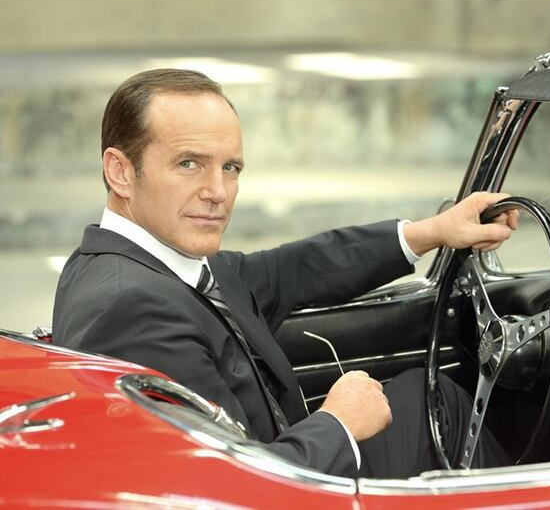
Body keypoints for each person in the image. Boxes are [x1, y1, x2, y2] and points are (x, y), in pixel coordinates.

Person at [53, 69, 517, 478]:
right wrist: (339, 423)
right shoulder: (132, 307)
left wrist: (433, 231)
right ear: (120, 172)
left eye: (230, 167)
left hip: (289, 460)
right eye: (188, 163)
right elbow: (228, 485)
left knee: (427, 396)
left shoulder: (157, 263)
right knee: (440, 409)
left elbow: (294, 269)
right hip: (284, 483)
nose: (218, 192)